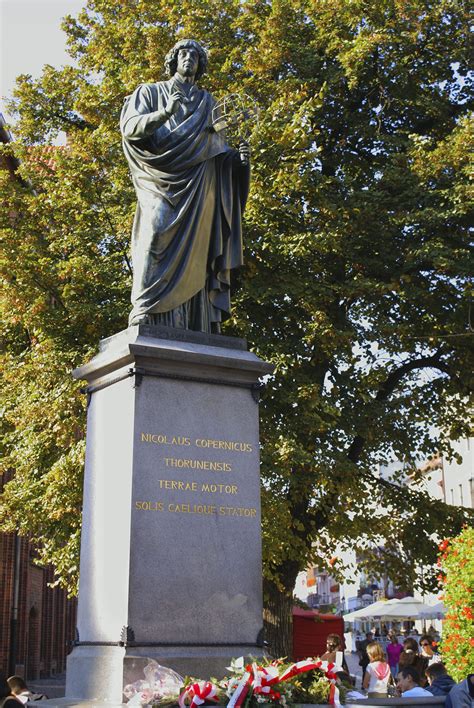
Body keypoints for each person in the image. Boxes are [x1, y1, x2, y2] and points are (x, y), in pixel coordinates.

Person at [121, 39, 251, 332]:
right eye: (184, 52)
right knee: (155, 233)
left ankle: (195, 323)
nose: (189, 57)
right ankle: (144, 309)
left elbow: (217, 151)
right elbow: (130, 128)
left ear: (200, 65)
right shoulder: (150, 92)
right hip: (159, 181)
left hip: (200, 185)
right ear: (173, 59)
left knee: (200, 255)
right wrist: (164, 113)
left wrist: (238, 161)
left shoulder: (209, 103)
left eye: (195, 54)